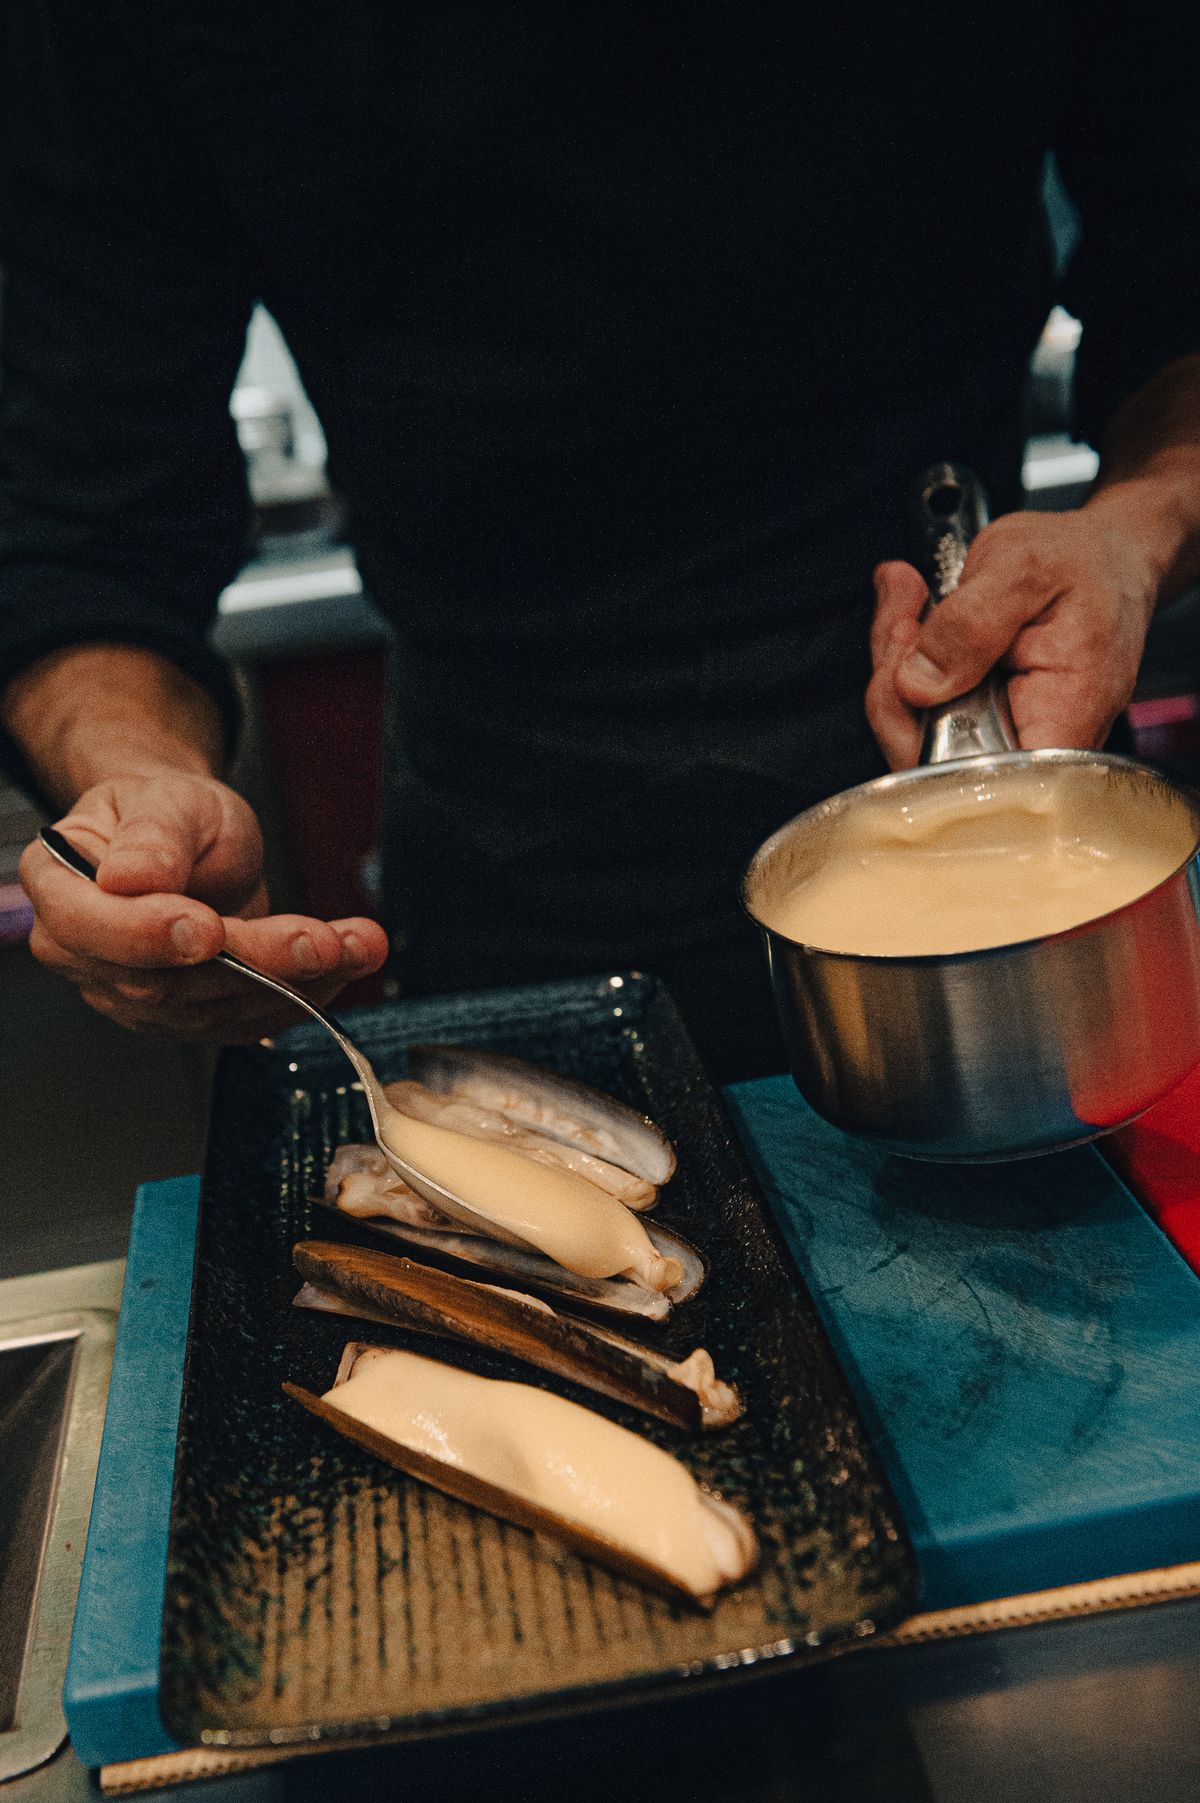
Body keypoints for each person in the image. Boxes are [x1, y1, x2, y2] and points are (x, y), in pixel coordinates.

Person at [2, 5, 1198, 1084]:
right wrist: (135, 796)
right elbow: (77, 511)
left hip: (1002, 757)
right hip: (524, 845)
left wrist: (1141, 527)